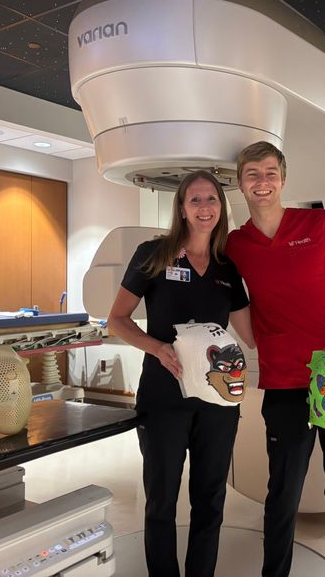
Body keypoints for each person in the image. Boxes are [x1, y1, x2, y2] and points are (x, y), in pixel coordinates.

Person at [225, 141, 325, 577]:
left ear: (283, 179)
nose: (262, 182)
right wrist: (256, 340)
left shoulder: (320, 224)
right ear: (240, 183)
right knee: (283, 493)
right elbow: (235, 301)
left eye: (270, 173)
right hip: (284, 384)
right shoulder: (236, 244)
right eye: (253, 174)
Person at [107, 170, 254, 577]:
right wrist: (157, 347)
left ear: (221, 207)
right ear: (182, 209)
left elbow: (251, 334)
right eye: (195, 200)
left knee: (210, 499)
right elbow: (116, 319)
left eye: (211, 200)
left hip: (217, 400)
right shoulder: (153, 254)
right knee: (161, 501)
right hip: (164, 396)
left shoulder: (228, 267)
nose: (205, 208)